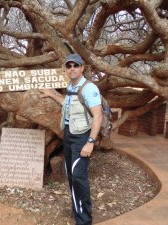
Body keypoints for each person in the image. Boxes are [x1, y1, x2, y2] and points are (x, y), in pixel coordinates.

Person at [39, 53, 102, 225]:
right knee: (73, 176)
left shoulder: (89, 88)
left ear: (82, 68)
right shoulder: (72, 86)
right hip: (68, 134)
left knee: (78, 176)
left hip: (82, 137)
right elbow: (67, 102)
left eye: (76, 65)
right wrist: (52, 94)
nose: (72, 68)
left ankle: (84, 220)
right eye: (69, 66)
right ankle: (78, 211)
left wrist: (90, 142)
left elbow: (98, 116)